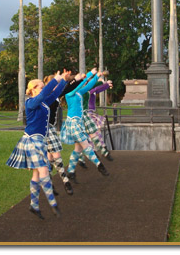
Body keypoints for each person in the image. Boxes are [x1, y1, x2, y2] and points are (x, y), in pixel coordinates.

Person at [6, 71, 69, 220]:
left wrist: (63, 81)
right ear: (33, 89)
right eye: (41, 87)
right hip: (32, 141)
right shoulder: (30, 102)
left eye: (43, 87)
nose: (43, 89)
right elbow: (45, 94)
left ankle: (34, 205)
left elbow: (54, 94)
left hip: (40, 141)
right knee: (44, 171)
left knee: (36, 174)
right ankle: (53, 205)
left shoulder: (42, 102)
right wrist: (55, 79)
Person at [60, 68, 109, 183]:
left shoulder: (78, 92)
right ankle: (99, 165)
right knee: (86, 145)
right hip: (73, 123)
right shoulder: (70, 93)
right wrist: (90, 74)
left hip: (78, 122)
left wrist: (96, 77)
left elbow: (88, 86)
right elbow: (81, 83)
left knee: (78, 148)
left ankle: (71, 171)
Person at [43, 70, 85, 196]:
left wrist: (77, 80)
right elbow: (65, 88)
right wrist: (73, 80)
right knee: (56, 155)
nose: (61, 85)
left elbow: (68, 88)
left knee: (50, 158)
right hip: (44, 128)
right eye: (58, 83)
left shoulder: (55, 94)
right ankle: (66, 182)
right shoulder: (46, 95)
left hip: (49, 127)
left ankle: (49, 184)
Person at [80, 77, 114, 162]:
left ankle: (94, 150)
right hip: (87, 113)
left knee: (92, 133)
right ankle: (101, 149)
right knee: (94, 132)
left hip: (90, 112)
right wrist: (105, 84)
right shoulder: (85, 91)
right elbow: (96, 88)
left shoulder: (91, 90)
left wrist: (106, 85)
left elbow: (98, 89)